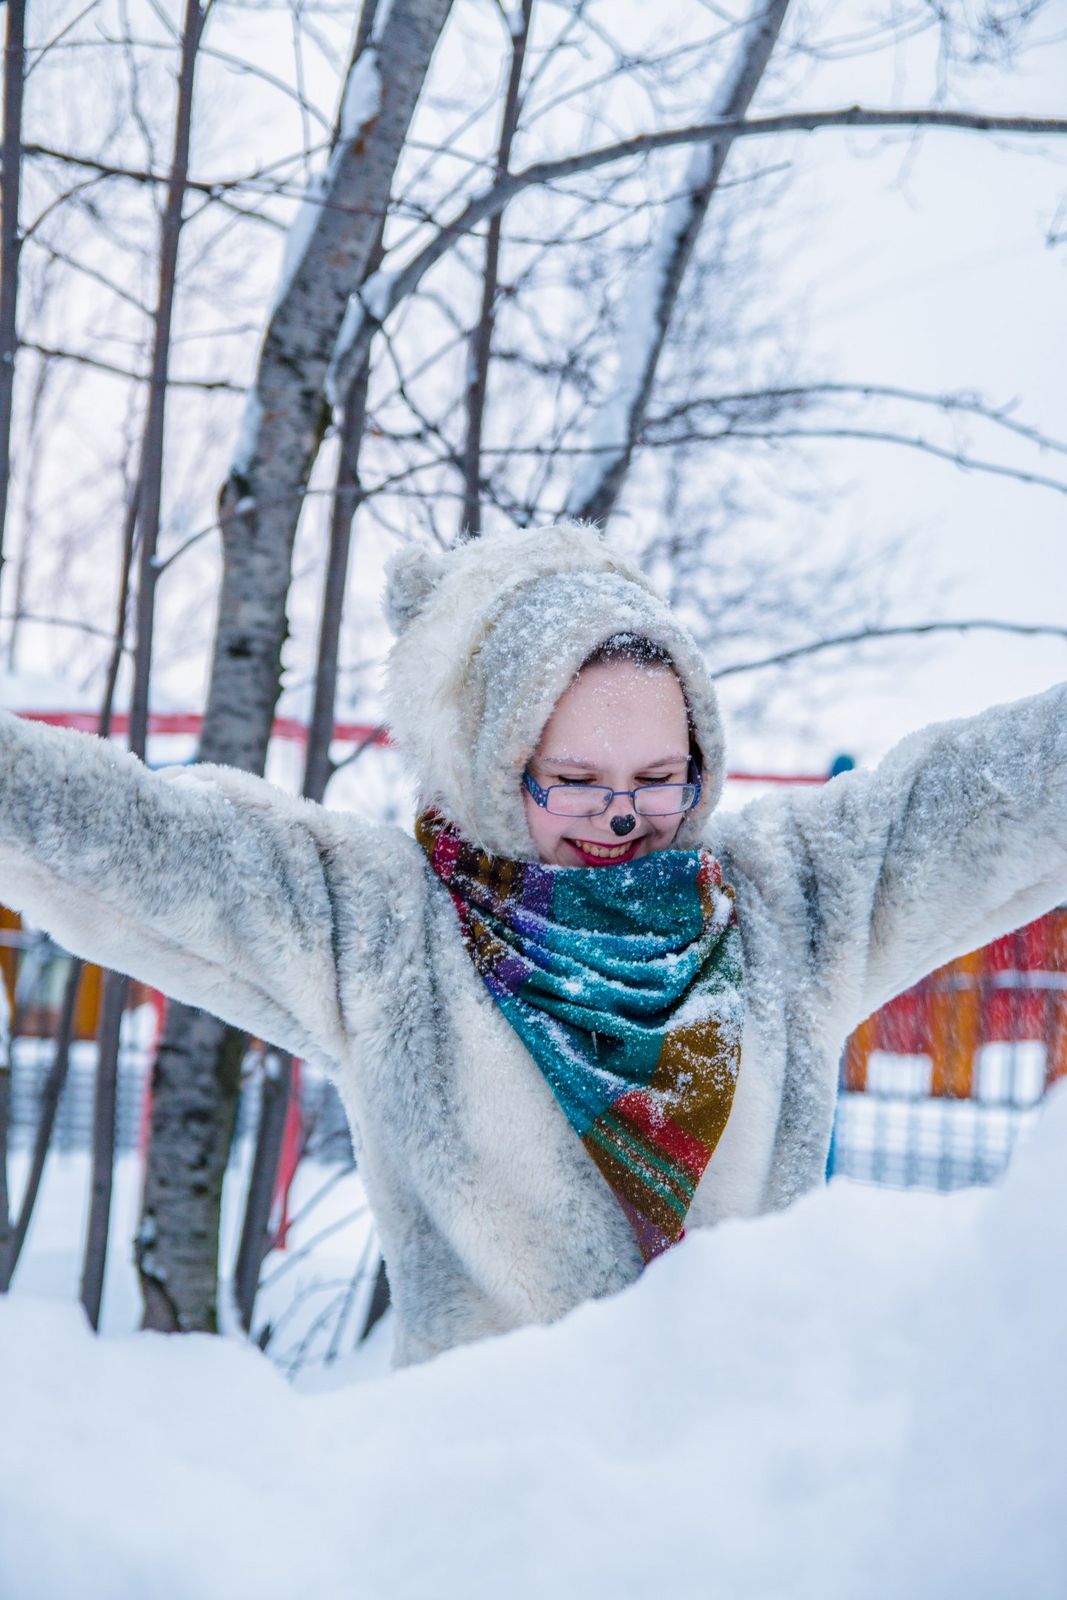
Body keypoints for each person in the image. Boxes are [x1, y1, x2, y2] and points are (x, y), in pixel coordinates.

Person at [0, 520, 1064, 1366]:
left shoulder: (783, 907)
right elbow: (146, 841)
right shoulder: (389, 933)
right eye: (575, 781)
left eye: (656, 779)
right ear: (495, 768)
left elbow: (973, 798)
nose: (619, 818)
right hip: (484, 1523)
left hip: (737, 1513)